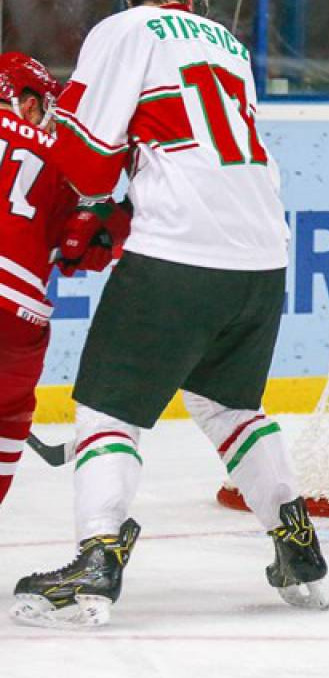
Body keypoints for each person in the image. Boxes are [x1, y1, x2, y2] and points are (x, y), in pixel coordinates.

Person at [11, 1, 327, 629]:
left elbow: (92, 167)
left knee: (107, 410)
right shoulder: (225, 41)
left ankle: (97, 556)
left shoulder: (125, 29)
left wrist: (45, 147)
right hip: (263, 257)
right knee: (230, 406)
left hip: (179, 250)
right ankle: (296, 540)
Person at [0, 52, 130, 511]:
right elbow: (86, 249)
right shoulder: (60, 158)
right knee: (6, 424)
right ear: (28, 103)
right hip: (15, 316)